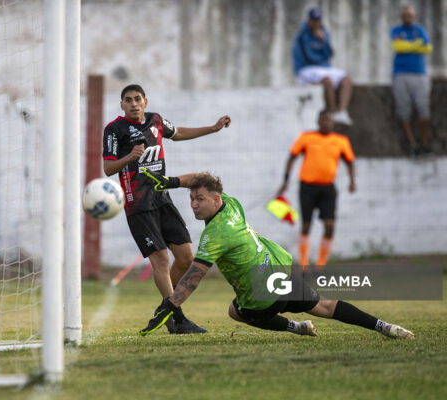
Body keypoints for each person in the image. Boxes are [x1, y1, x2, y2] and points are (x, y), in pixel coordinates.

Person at [138, 172, 413, 340]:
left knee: (236, 312)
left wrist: (170, 305)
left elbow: (194, 278)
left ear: (215, 200)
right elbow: (201, 178)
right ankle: (384, 327)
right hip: (281, 272)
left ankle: (294, 327)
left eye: (199, 199)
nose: (194, 205)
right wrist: (172, 182)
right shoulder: (231, 204)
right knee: (324, 306)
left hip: (262, 295)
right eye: (192, 199)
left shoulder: (215, 235)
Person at [102, 84, 231, 334]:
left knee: (186, 257)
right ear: (122, 105)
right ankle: (177, 319)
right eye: (128, 100)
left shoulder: (156, 120)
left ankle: (166, 307)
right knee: (161, 259)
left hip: (162, 199)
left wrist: (213, 128)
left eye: (137, 99)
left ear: (145, 102)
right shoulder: (114, 130)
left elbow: (178, 132)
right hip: (137, 203)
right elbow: (108, 169)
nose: (133, 103)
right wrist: (130, 157)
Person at [277, 110, 356, 267]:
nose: (326, 123)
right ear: (318, 122)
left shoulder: (341, 141)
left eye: (329, 120)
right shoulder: (307, 137)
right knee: (306, 225)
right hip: (307, 187)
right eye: (323, 120)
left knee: (330, 225)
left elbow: (350, 162)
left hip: (327, 188)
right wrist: (285, 180)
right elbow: (292, 157)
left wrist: (352, 181)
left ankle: (321, 263)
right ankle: (304, 264)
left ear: (333, 123)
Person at [292, 7, 353, 126]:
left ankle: (341, 111)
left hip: (324, 67)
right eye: (314, 21)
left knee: (346, 80)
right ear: (309, 21)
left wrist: (324, 41)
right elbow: (309, 57)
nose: (316, 23)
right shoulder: (301, 36)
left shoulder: (324, 34)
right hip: (306, 69)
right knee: (327, 81)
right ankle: (332, 112)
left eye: (318, 21)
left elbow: (330, 54)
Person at [391, 5, 433, 157]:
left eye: (410, 15)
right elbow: (397, 46)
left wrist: (408, 45)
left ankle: (424, 143)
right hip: (401, 74)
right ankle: (412, 145)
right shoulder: (396, 30)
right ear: (401, 16)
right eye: (405, 15)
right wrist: (416, 45)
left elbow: (427, 48)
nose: (407, 17)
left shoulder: (419, 29)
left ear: (413, 16)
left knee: (423, 109)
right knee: (404, 111)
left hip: (420, 74)